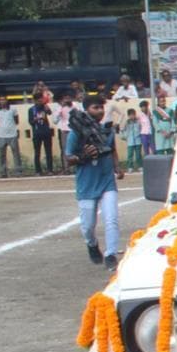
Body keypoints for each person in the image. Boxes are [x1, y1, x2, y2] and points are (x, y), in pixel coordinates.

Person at [67, 93, 124, 269]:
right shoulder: (76, 132)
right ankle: (92, 244)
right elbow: (68, 158)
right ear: (87, 110)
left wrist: (116, 167)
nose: (99, 111)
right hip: (86, 182)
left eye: (101, 107)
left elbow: (111, 149)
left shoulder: (106, 130)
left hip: (106, 180)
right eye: (95, 107)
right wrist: (83, 156)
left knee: (111, 219)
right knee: (88, 226)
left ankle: (111, 254)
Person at [0, 95, 23, 176]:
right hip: (1, 135)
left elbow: (16, 121)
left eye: (4, 99)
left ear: (7, 100)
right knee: (2, 155)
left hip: (12, 134)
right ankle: (3, 172)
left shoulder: (13, 109)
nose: (2, 101)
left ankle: (18, 171)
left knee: (16, 153)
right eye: (1, 100)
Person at [28, 87, 55, 175]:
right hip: (37, 133)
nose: (40, 102)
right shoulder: (31, 110)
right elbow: (31, 122)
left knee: (48, 151)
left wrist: (46, 107)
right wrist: (36, 119)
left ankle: (50, 170)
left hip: (46, 131)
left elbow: (50, 113)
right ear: (35, 101)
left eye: (41, 100)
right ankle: (38, 170)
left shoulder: (44, 107)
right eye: (39, 101)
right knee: (37, 152)